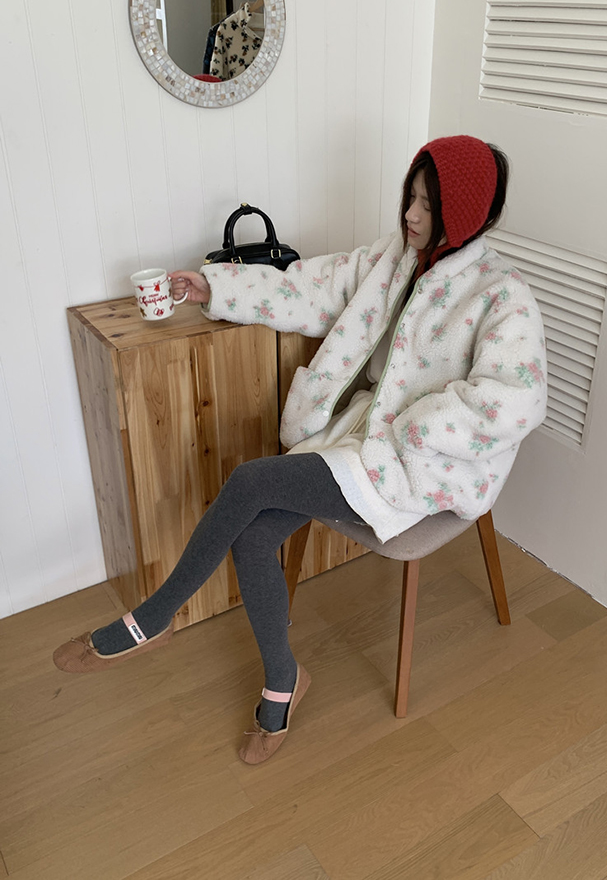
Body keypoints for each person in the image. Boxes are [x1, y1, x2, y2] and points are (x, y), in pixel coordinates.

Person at [54, 135, 547, 764]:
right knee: (255, 534)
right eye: (411, 198)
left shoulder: (502, 296)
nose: (410, 214)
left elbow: (516, 401)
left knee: (251, 482)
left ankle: (154, 618)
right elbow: (310, 287)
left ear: (466, 214)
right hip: (365, 439)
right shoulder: (395, 258)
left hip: (426, 465)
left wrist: (414, 430)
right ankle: (282, 681)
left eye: (428, 206)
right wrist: (213, 288)